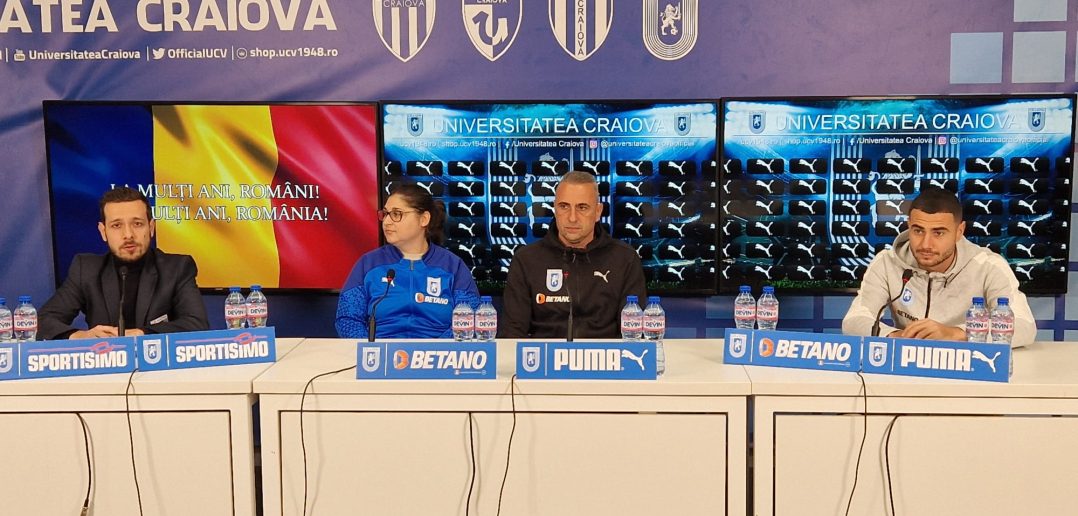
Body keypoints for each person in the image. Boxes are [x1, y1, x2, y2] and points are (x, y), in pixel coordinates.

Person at [842, 187, 1035, 346]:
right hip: (908, 364)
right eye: (918, 231)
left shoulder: (988, 266)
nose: (926, 244)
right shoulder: (886, 262)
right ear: (909, 226)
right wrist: (896, 337)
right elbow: (854, 321)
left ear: (959, 231)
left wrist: (955, 334)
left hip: (969, 367)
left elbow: (1024, 326)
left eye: (939, 233)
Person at [39, 187, 209, 340]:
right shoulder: (86, 269)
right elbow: (43, 321)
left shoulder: (177, 268)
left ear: (151, 228)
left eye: (137, 224)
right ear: (103, 232)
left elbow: (196, 324)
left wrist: (141, 334)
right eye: (117, 225)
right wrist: (80, 336)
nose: (128, 235)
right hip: (104, 361)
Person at [500, 171, 648, 339]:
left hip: (607, 354)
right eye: (564, 206)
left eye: (582, 207)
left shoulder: (625, 259)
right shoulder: (526, 260)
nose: (572, 218)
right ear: (555, 208)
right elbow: (512, 334)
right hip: (544, 354)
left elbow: (635, 335)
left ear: (598, 211)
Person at [336, 183, 479, 339]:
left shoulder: (453, 266)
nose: (386, 222)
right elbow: (348, 319)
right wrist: (371, 349)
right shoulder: (368, 264)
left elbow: (468, 318)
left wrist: (436, 350)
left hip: (438, 351)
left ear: (424, 219)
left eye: (396, 214)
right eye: (385, 214)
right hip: (381, 351)